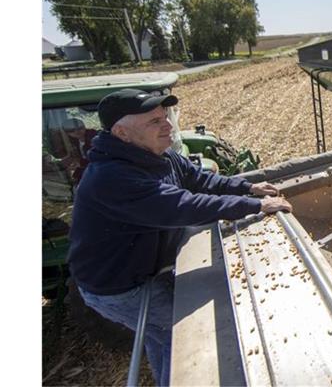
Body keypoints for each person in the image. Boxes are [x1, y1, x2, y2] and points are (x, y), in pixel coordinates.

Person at [67, 88, 292, 386]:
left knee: (160, 335)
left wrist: (247, 188)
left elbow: (198, 179)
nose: (168, 126)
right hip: (118, 288)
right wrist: (256, 206)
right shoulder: (112, 178)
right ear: (122, 132)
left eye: (165, 117)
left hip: (142, 269)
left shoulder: (157, 155)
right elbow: (184, 206)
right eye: (154, 122)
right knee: (185, 336)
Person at [58, 117, 97, 184]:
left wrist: (80, 163)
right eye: (72, 130)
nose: (77, 132)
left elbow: (98, 159)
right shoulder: (71, 142)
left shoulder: (95, 138)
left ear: (84, 127)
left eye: (80, 128)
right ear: (67, 133)